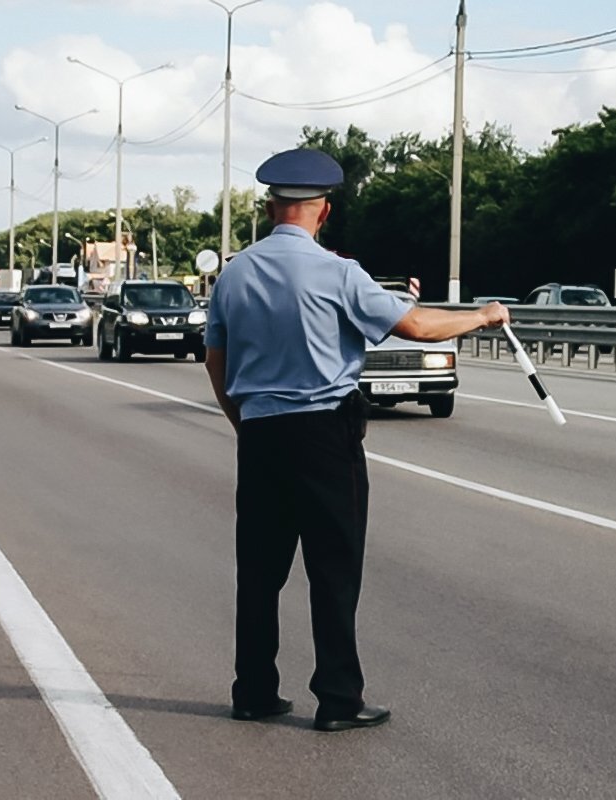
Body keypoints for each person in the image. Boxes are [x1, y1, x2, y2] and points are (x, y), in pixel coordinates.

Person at [203, 148, 510, 732]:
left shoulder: (234, 273)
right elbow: (416, 326)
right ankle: (338, 699)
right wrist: (482, 315)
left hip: (262, 435)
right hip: (324, 434)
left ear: (272, 207)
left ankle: (253, 691)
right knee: (333, 569)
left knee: (260, 571)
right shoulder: (339, 272)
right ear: (323, 213)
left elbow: (215, 361)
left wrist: (243, 419)